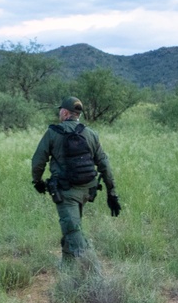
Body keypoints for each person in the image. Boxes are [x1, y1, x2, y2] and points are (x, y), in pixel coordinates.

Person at [31, 96, 120, 261]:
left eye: (60, 111)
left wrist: (37, 181)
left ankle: (94, 273)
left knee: (72, 231)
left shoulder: (53, 133)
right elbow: (105, 165)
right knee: (71, 226)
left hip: (66, 192)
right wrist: (112, 193)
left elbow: (38, 161)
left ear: (64, 113)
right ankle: (68, 268)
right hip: (88, 190)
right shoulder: (91, 134)